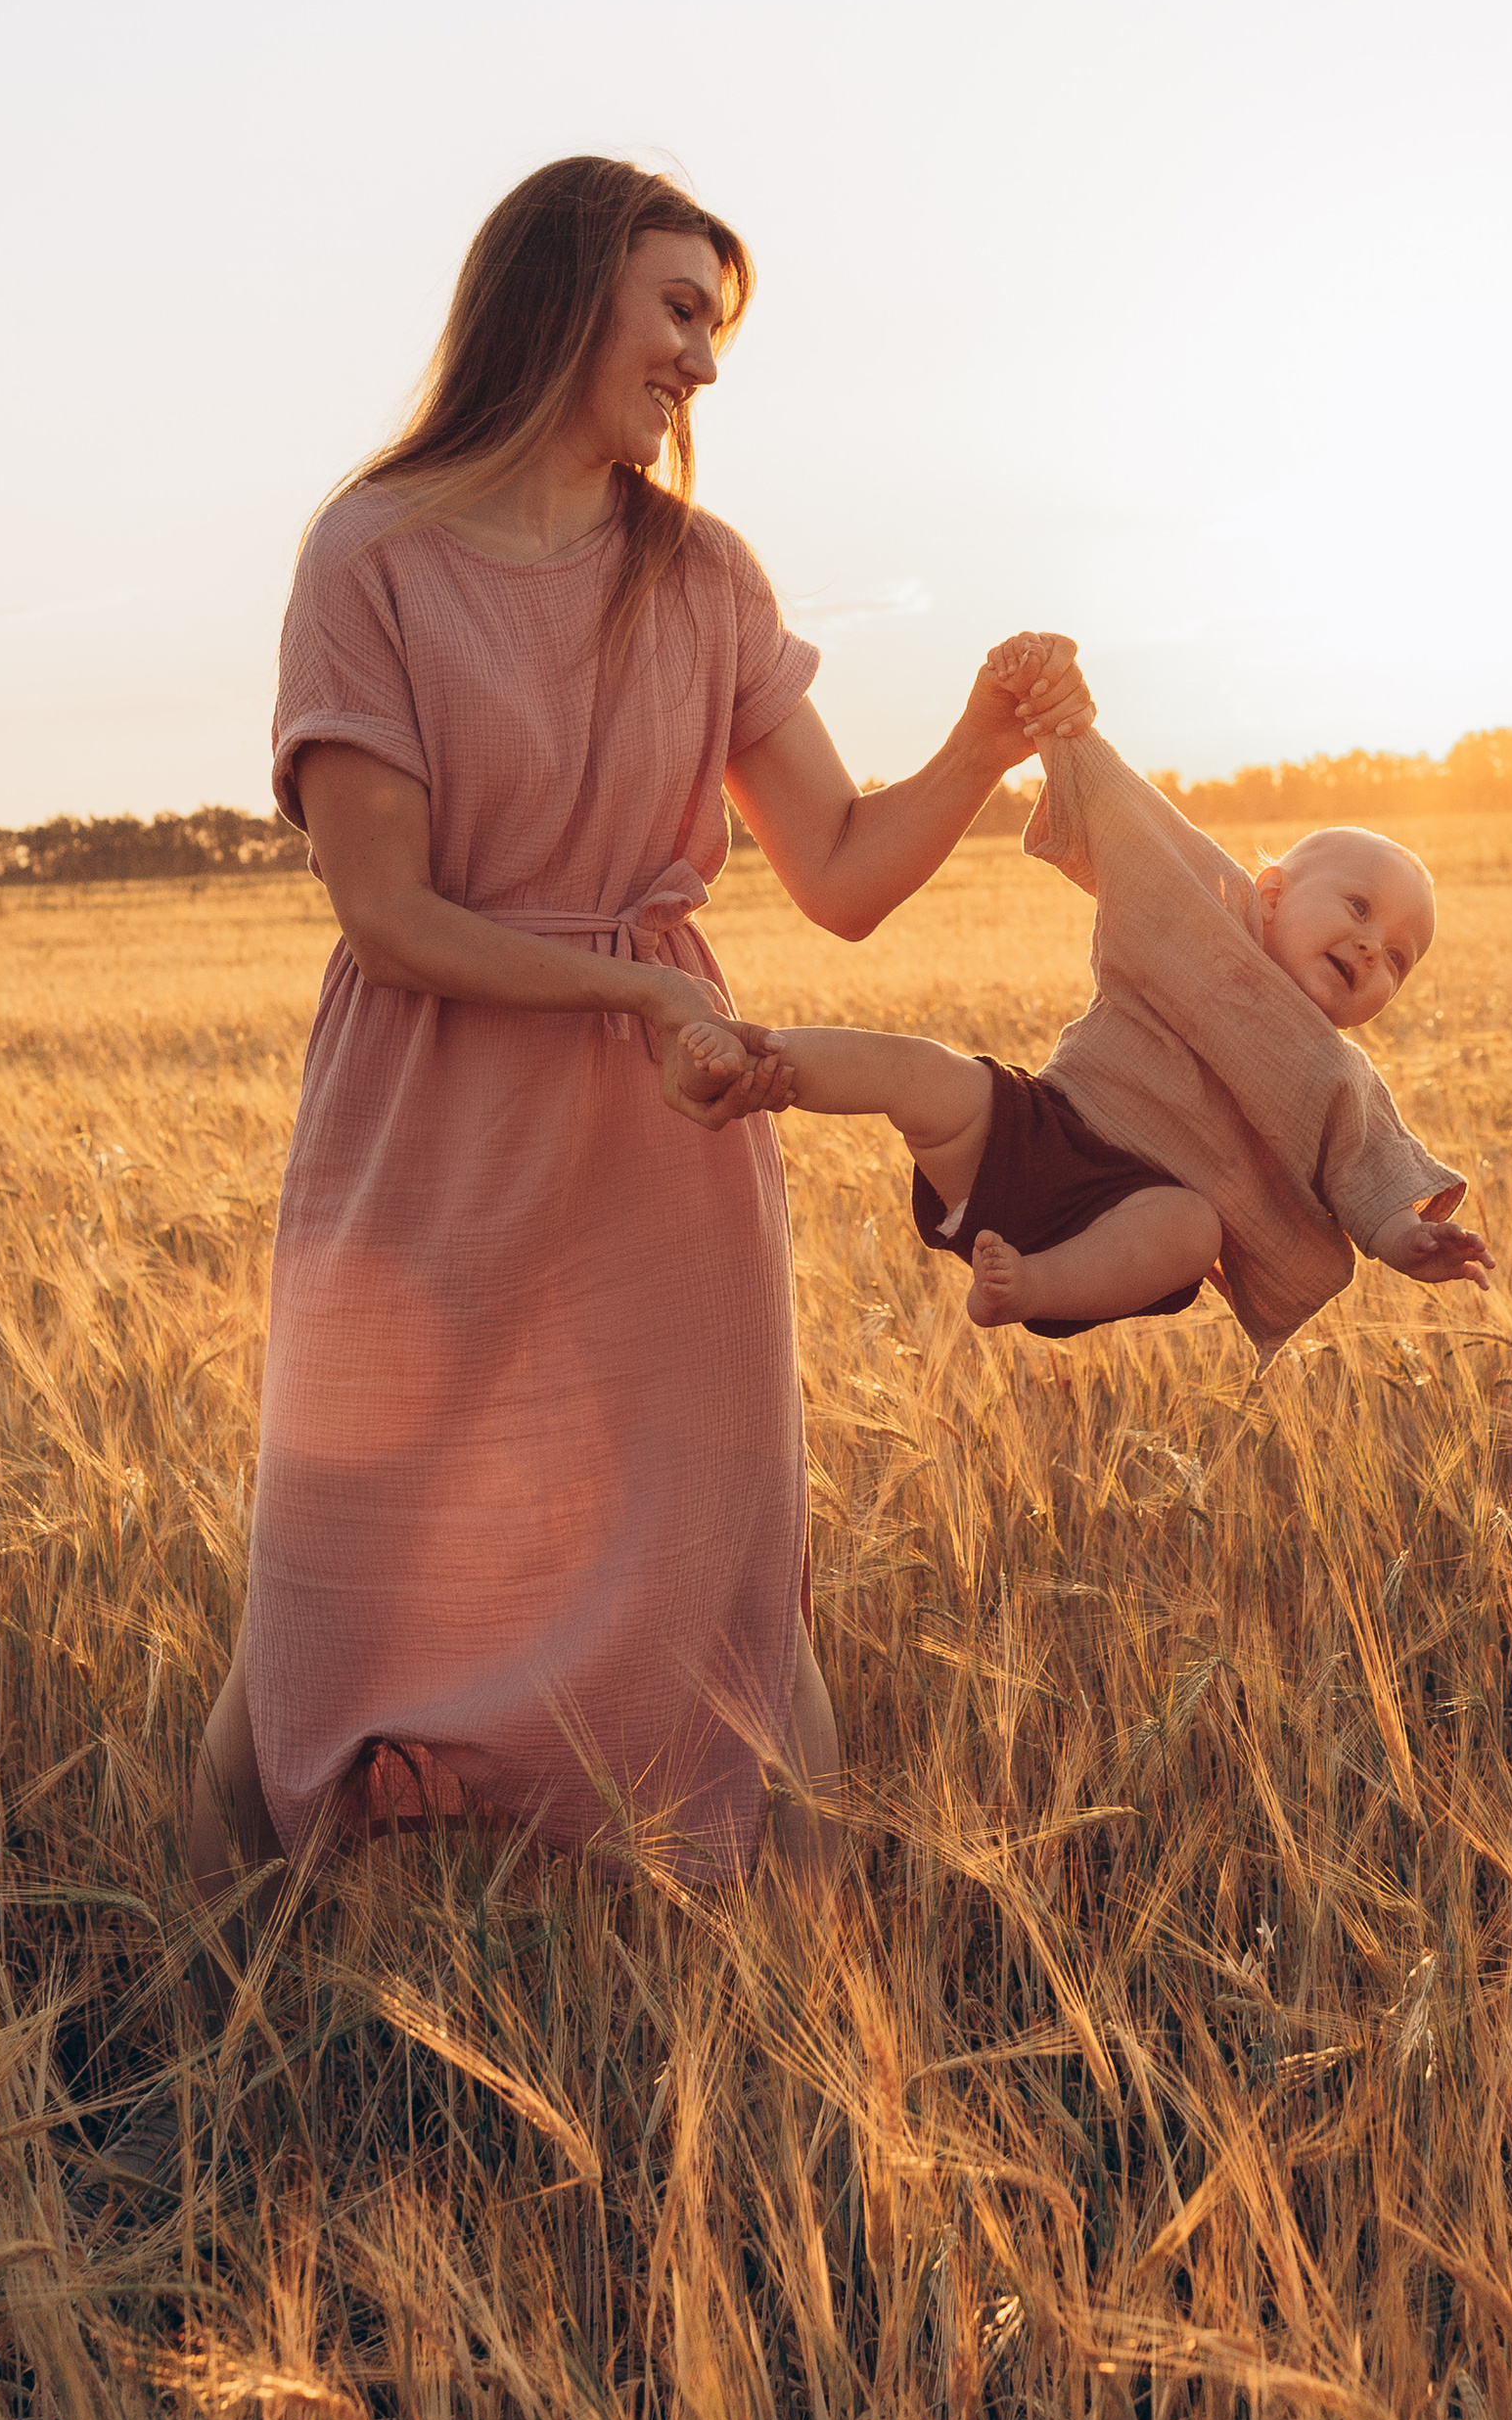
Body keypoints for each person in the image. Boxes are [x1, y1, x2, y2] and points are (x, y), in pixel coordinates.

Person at [186, 160, 1089, 1914]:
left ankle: (801, 1961)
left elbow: (835, 873)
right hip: (430, 1115)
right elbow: (387, 913)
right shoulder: (370, 553)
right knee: (344, 1549)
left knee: (705, 1552)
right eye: (682, 310)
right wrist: (639, 987)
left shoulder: (702, 577)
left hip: (661, 1138)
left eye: (718, 325)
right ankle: (214, 1956)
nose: (707, 363)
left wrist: (984, 743)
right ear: (566, 293)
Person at [681, 699, 1489, 1353]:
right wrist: (1066, 727)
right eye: (1357, 907)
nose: (1369, 945)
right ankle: (759, 1059)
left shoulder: (1335, 1072)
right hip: (1043, 1130)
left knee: (1192, 1228)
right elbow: (1139, 824)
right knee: (922, 1072)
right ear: (1271, 891)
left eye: (1397, 958)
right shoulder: (1201, 914)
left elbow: (1370, 1175)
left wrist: (1403, 1241)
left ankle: (1026, 1287)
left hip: (1127, 1224)